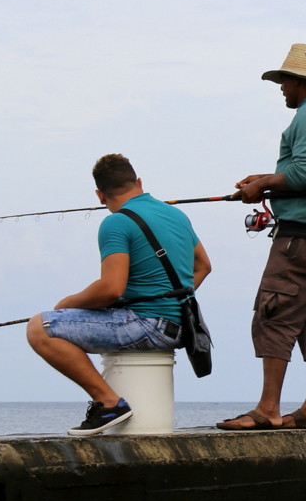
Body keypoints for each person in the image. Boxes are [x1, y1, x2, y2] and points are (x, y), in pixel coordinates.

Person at [219, 44, 306, 431]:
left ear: (299, 81)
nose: (280, 87)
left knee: (273, 314)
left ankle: (268, 409)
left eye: (283, 81)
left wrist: (264, 183)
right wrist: (264, 182)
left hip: (301, 240)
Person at [28, 154, 210, 437]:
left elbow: (111, 288)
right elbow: (203, 267)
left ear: (100, 195)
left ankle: (109, 403)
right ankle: (110, 403)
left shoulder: (116, 223)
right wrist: (164, 299)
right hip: (180, 327)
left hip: (147, 325)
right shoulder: (177, 215)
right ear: (138, 182)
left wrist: (66, 304)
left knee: (40, 328)